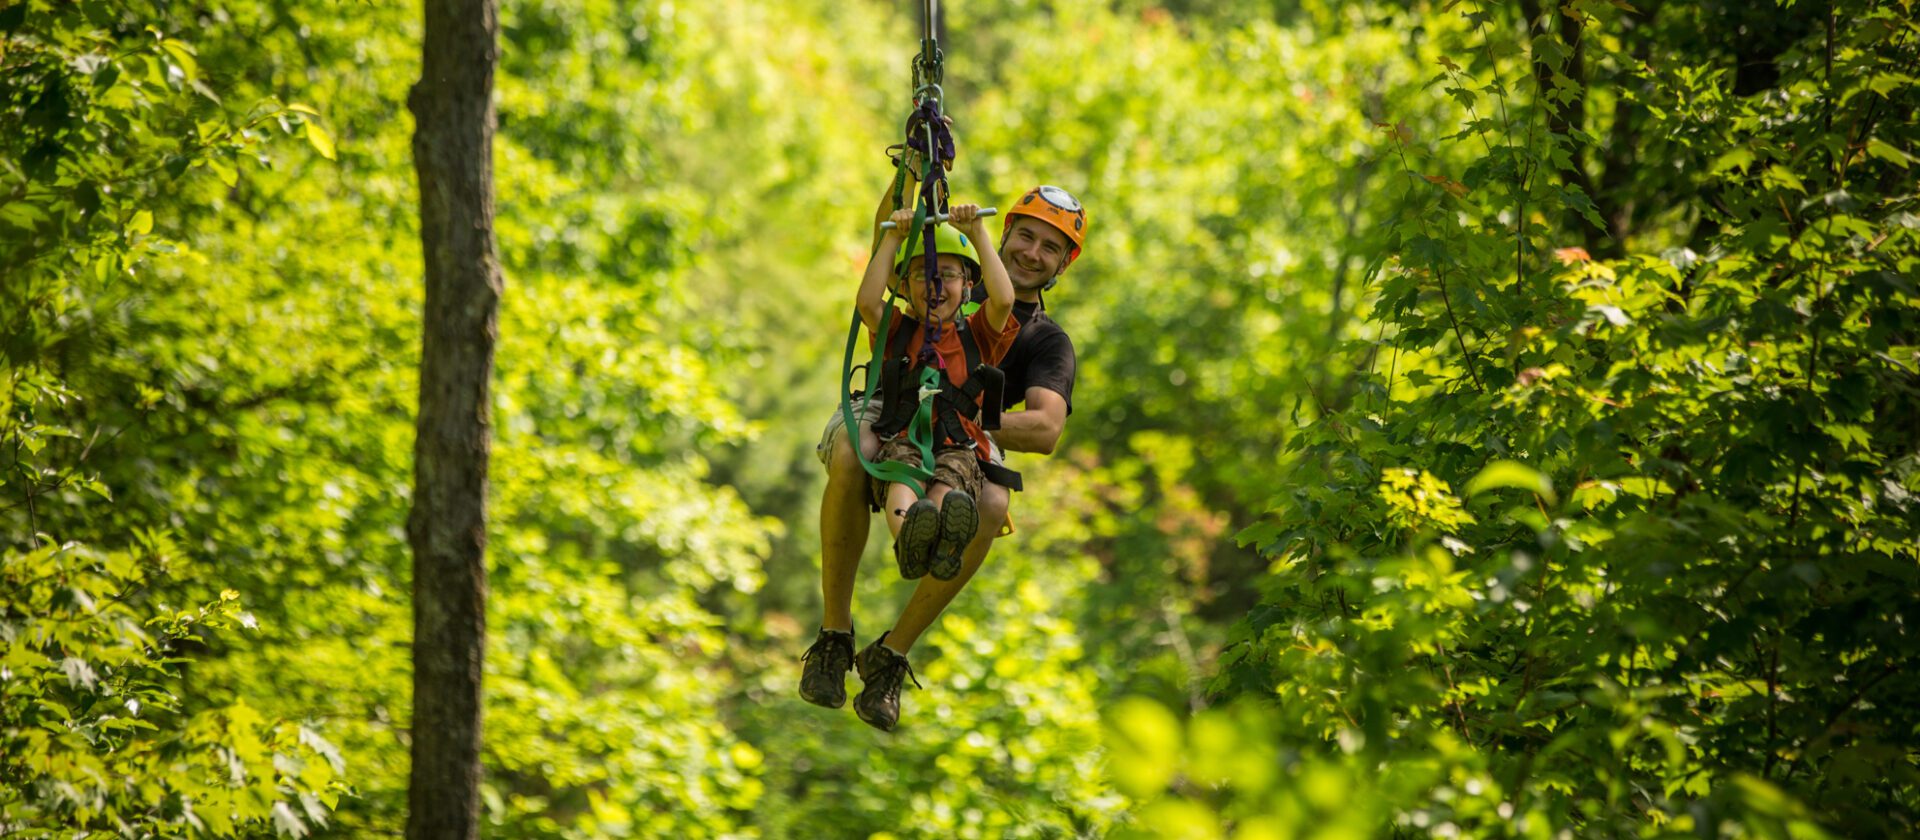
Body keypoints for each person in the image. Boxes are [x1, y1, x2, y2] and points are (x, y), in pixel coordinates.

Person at [803, 185, 1088, 732]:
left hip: (964, 431)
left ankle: (891, 656)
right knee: (850, 449)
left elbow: (1046, 426)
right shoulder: (948, 269)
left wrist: (959, 413)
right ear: (1004, 233)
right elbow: (882, 264)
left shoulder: (1044, 340)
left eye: (1049, 248)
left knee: (993, 500)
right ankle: (835, 633)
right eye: (1026, 236)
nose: (1032, 252)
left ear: (1062, 265)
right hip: (893, 399)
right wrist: (909, 177)